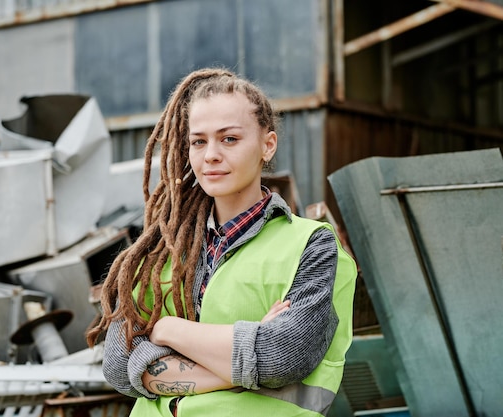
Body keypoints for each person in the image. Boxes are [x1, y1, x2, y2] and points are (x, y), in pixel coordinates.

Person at [87, 67, 357, 416]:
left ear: (267, 145)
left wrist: (167, 330)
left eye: (229, 138)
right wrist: (245, 355)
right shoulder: (163, 250)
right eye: (199, 141)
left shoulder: (311, 246)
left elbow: (279, 358)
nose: (210, 154)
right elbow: (118, 364)